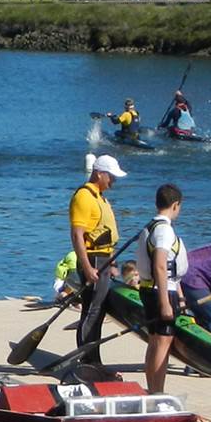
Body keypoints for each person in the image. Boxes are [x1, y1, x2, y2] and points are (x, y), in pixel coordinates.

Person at [69, 154, 128, 368]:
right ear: (99, 173)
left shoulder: (100, 197)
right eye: (111, 176)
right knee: (92, 310)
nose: (114, 181)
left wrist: (111, 263)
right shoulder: (84, 197)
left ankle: (94, 360)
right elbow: (77, 235)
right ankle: (87, 361)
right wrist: (87, 267)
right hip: (93, 260)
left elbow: (105, 234)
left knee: (99, 310)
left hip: (102, 260)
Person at [136, 183, 187, 393]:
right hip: (161, 292)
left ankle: (154, 390)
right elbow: (160, 265)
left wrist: (180, 297)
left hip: (152, 289)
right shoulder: (164, 230)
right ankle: (157, 391)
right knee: (162, 343)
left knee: (155, 342)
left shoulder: (150, 226)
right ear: (175, 205)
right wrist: (166, 303)